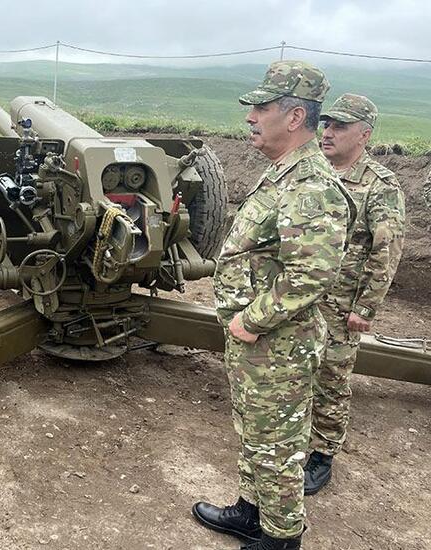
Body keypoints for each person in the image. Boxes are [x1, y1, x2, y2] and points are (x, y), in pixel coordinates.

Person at [192, 61, 350, 550]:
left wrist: (252, 319)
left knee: (276, 442)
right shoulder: (284, 173)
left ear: (295, 116)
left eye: (261, 108)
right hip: (259, 342)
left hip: (278, 343)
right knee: (254, 430)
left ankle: (281, 537)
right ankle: (251, 511)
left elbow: (312, 273)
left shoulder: (310, 186)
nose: (250, 117)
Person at [304, 94, 405, 494]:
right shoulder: (313, 173)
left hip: (340, 303)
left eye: (340, 127)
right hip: (300, 296)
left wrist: (365, 308)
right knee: (296, 367)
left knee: (331, 377)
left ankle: (322, 454)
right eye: (327, 125)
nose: (328, 133)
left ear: (364, 135)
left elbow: (387, 250)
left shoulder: (379, 185)